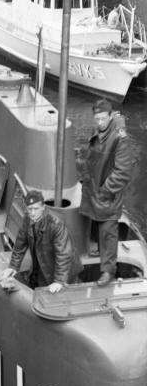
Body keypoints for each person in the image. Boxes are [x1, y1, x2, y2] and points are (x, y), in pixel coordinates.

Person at [78, 98, 133, 286]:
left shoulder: (119, 137)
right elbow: (93, 157)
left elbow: (123, 171)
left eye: (103, 119)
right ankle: (99, 254)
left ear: (110, 116)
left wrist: (105, 191)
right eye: (97, 119)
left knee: (108, 228)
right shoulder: (99, 130)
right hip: (94, 187)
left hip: (106, 193)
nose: (99, 123)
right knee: (99, 224)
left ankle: (108, 271)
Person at [0, 190, 82, 293]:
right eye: (30, 209)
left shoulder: (55, 224)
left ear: (43, 207)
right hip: (43, 264)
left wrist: (59, 281)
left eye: (36, 208)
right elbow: (20, 245)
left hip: (65, 271)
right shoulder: (28, 220)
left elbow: (63, 254)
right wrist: (13, 267)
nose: (33, 213)